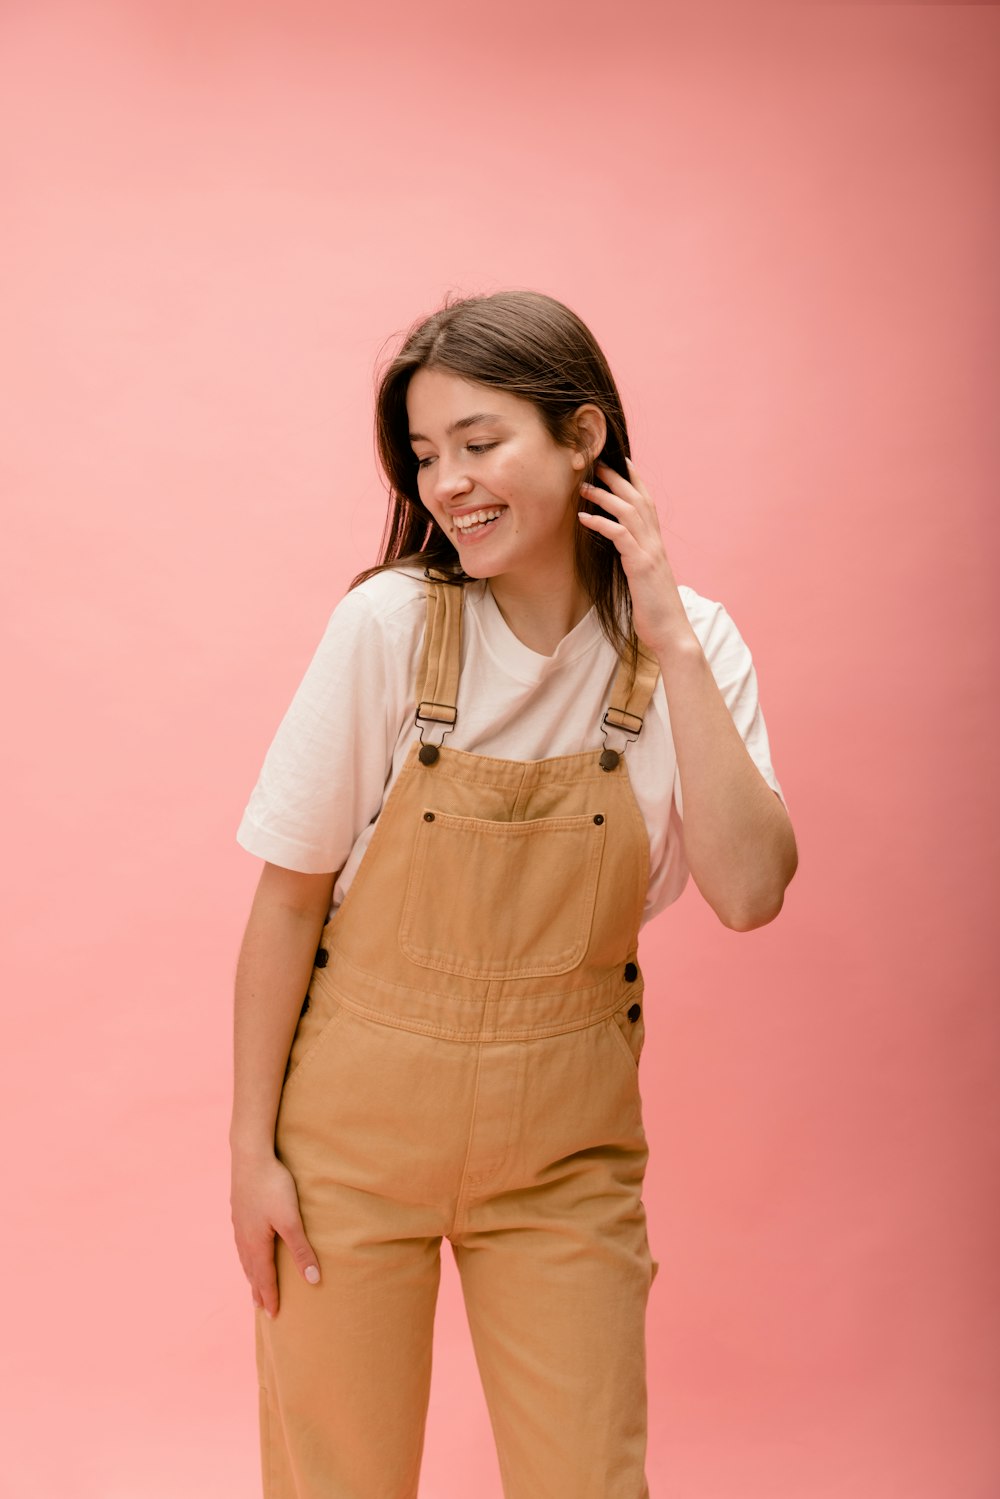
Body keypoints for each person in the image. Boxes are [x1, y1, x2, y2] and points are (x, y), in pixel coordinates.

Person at [229, 288, 798, 1499]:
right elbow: (286, 903)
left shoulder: (694, 643)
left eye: (478, 443)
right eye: (425, 455)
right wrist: (249, 1154)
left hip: (564, 1146)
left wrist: (670, 636)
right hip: (350, 1135)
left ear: (582, 435)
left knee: (590, 1477)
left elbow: (750, 892)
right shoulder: (389, 624)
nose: (446, 483)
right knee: (333, 1479)